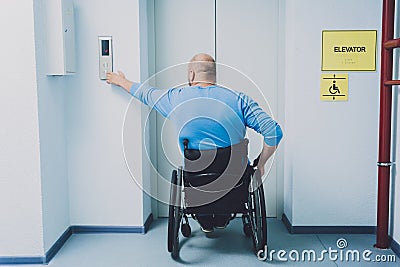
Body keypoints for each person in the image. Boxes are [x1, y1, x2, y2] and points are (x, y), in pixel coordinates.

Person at [106, 53, 283, 233]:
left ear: (191, 74)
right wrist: (261, 165)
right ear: (214, 75)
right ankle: (222, 217)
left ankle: (205, 220)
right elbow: (274, 132)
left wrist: (121, 81)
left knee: (197, 177)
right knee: (238, 174)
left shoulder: (175, 98)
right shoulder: (239, 100)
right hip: (235, 184)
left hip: (198, 183)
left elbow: (145, 94)